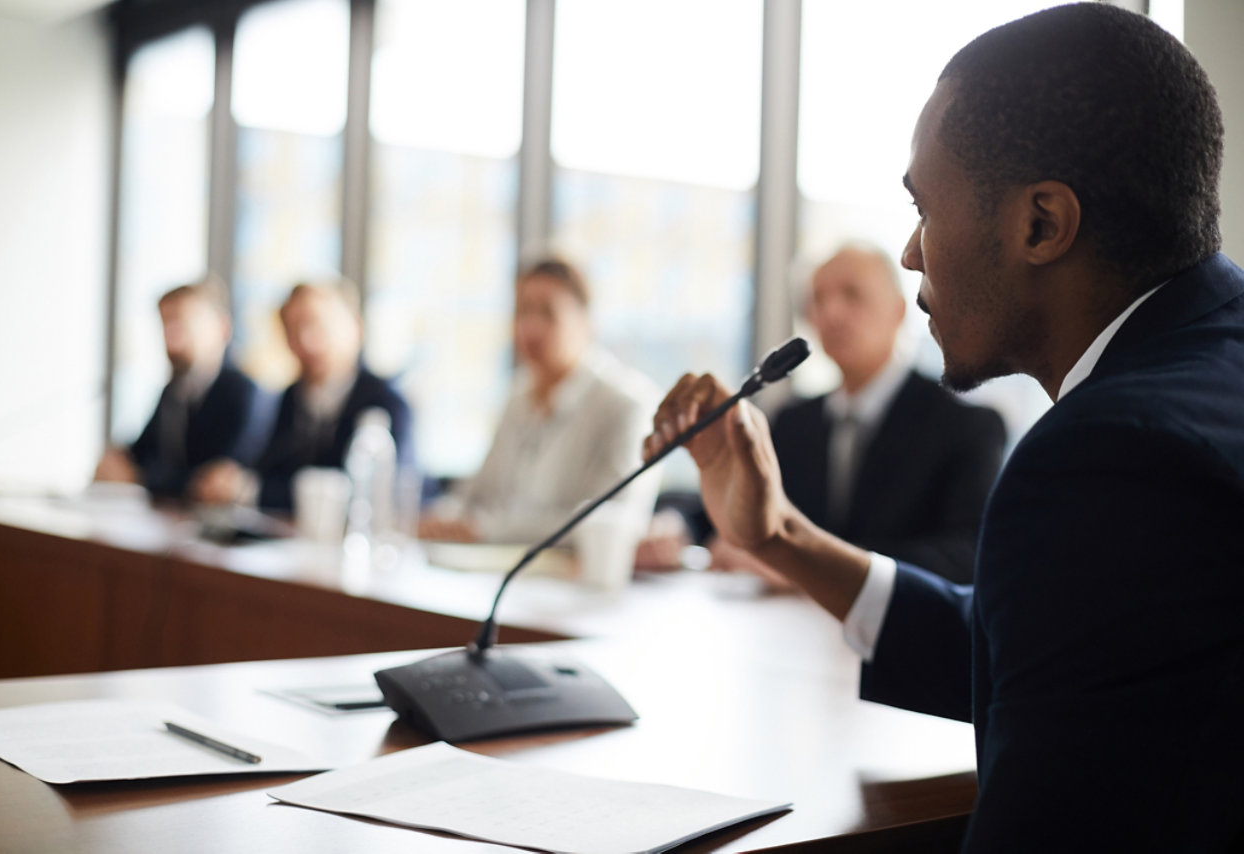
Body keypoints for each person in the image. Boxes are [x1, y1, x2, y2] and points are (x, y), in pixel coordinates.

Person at [647, 5, 1244, 851]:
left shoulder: (1110, 453)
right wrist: (779, 534)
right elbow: (1036, 641)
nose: (911, 253)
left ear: (1041, 224)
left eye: (924, 207)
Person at [707, 244, 1005, 585]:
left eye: (853, 295)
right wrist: (676, 526)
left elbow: (969, 555)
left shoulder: (965, 428)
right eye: (818, 299)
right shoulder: (792, 422)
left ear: (898, 311)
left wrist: (805, 565)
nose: (830, 313)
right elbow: (730, 509)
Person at [419, 258, 659, 547]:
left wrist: (487, 530)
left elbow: (610, 522)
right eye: (522, 311)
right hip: (495, 570)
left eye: (548, 313)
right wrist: (445, 518)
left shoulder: (627, 405)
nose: (530, 328)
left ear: (585, 321)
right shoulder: (518, 396)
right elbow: (476, 495)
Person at [191, 278, 414, 511]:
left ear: (356, 327)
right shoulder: (292, 397)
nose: (306, 341)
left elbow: (370, 495)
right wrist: (234, 480)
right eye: (292, 329)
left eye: (318, 325)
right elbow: (267, 469)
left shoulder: (387, 403)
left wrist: (250, 490)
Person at [95, 276, 271, 498]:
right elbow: (142, 451)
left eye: (182, 325)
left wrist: (139, 478)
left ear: (222, 327)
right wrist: (117, 462)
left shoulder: (245, 393)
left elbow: (213, 479)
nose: (172, 340)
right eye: (165, 325)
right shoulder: (174, 391)